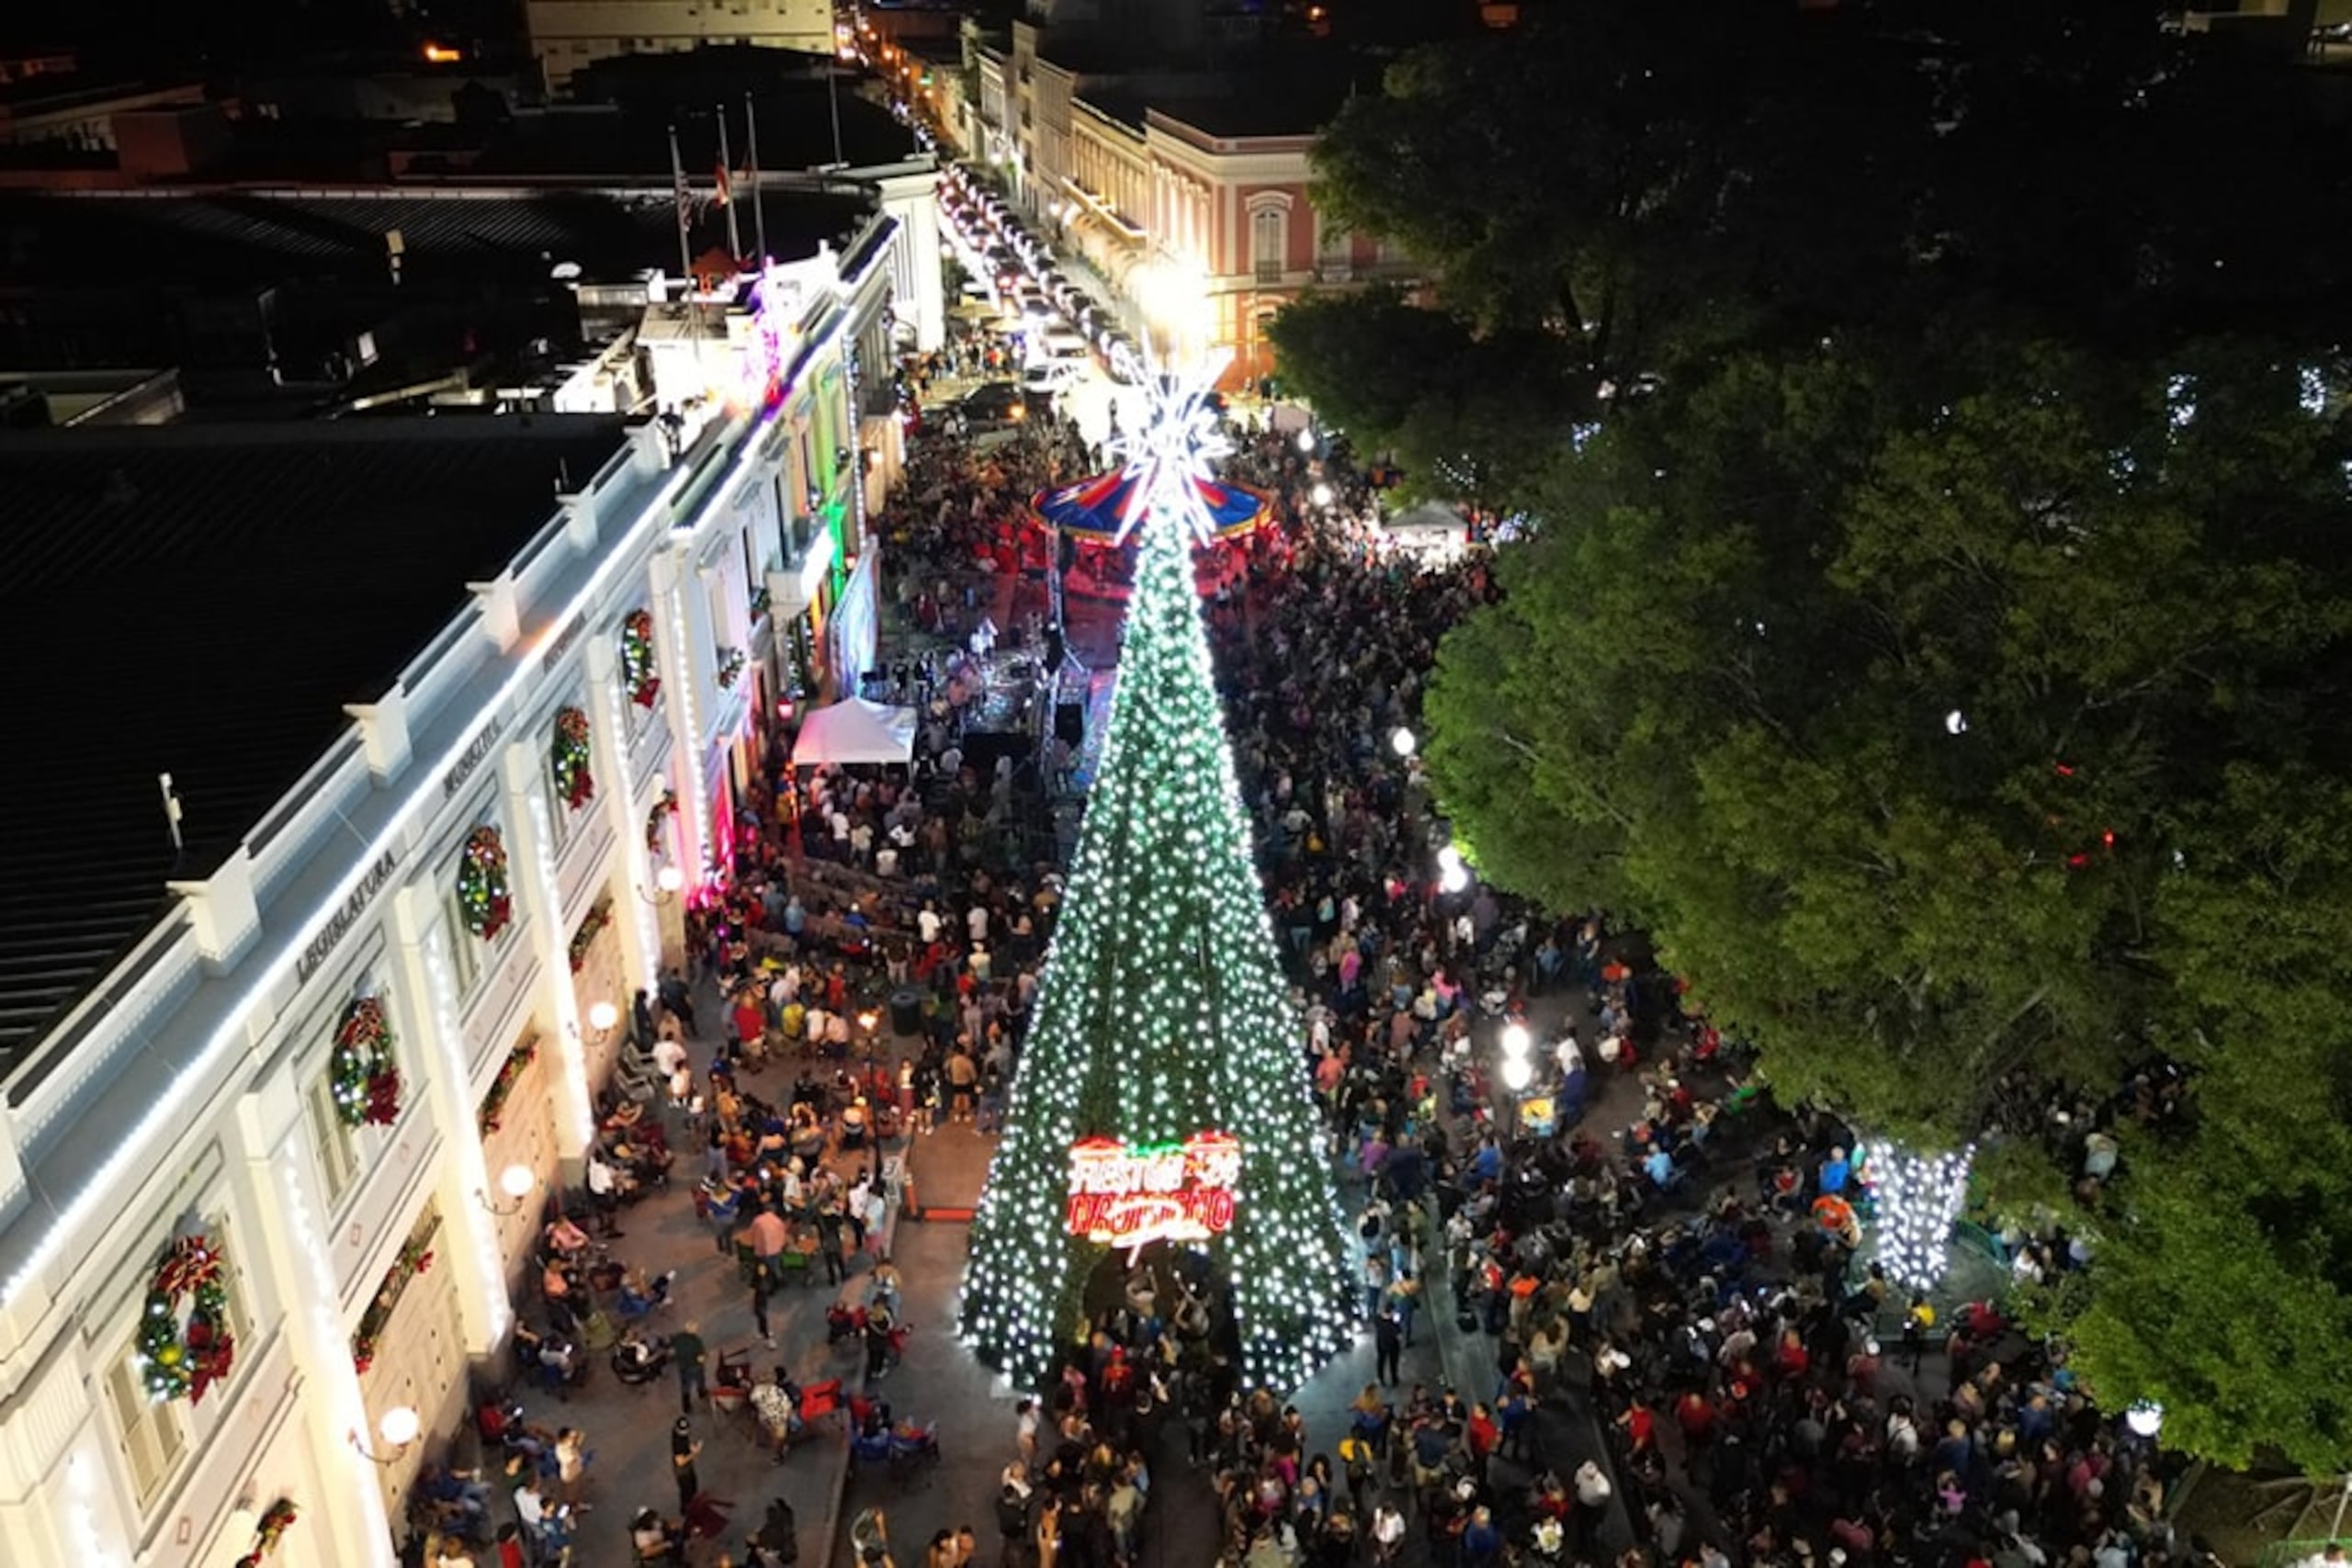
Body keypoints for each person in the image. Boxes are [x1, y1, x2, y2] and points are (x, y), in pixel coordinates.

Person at [672, 1319, 708, 1413]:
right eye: (695, 1328)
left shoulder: (678, 1337)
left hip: (683, 1367)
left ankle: (686, 1407)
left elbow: (672, 1348)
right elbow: (701, 1358)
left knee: (685, 1387)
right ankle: (702, 1393)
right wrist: (705, 1356)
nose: (696, 1330)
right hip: (694, 1366)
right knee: (700, 1380)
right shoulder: (696, 1341)